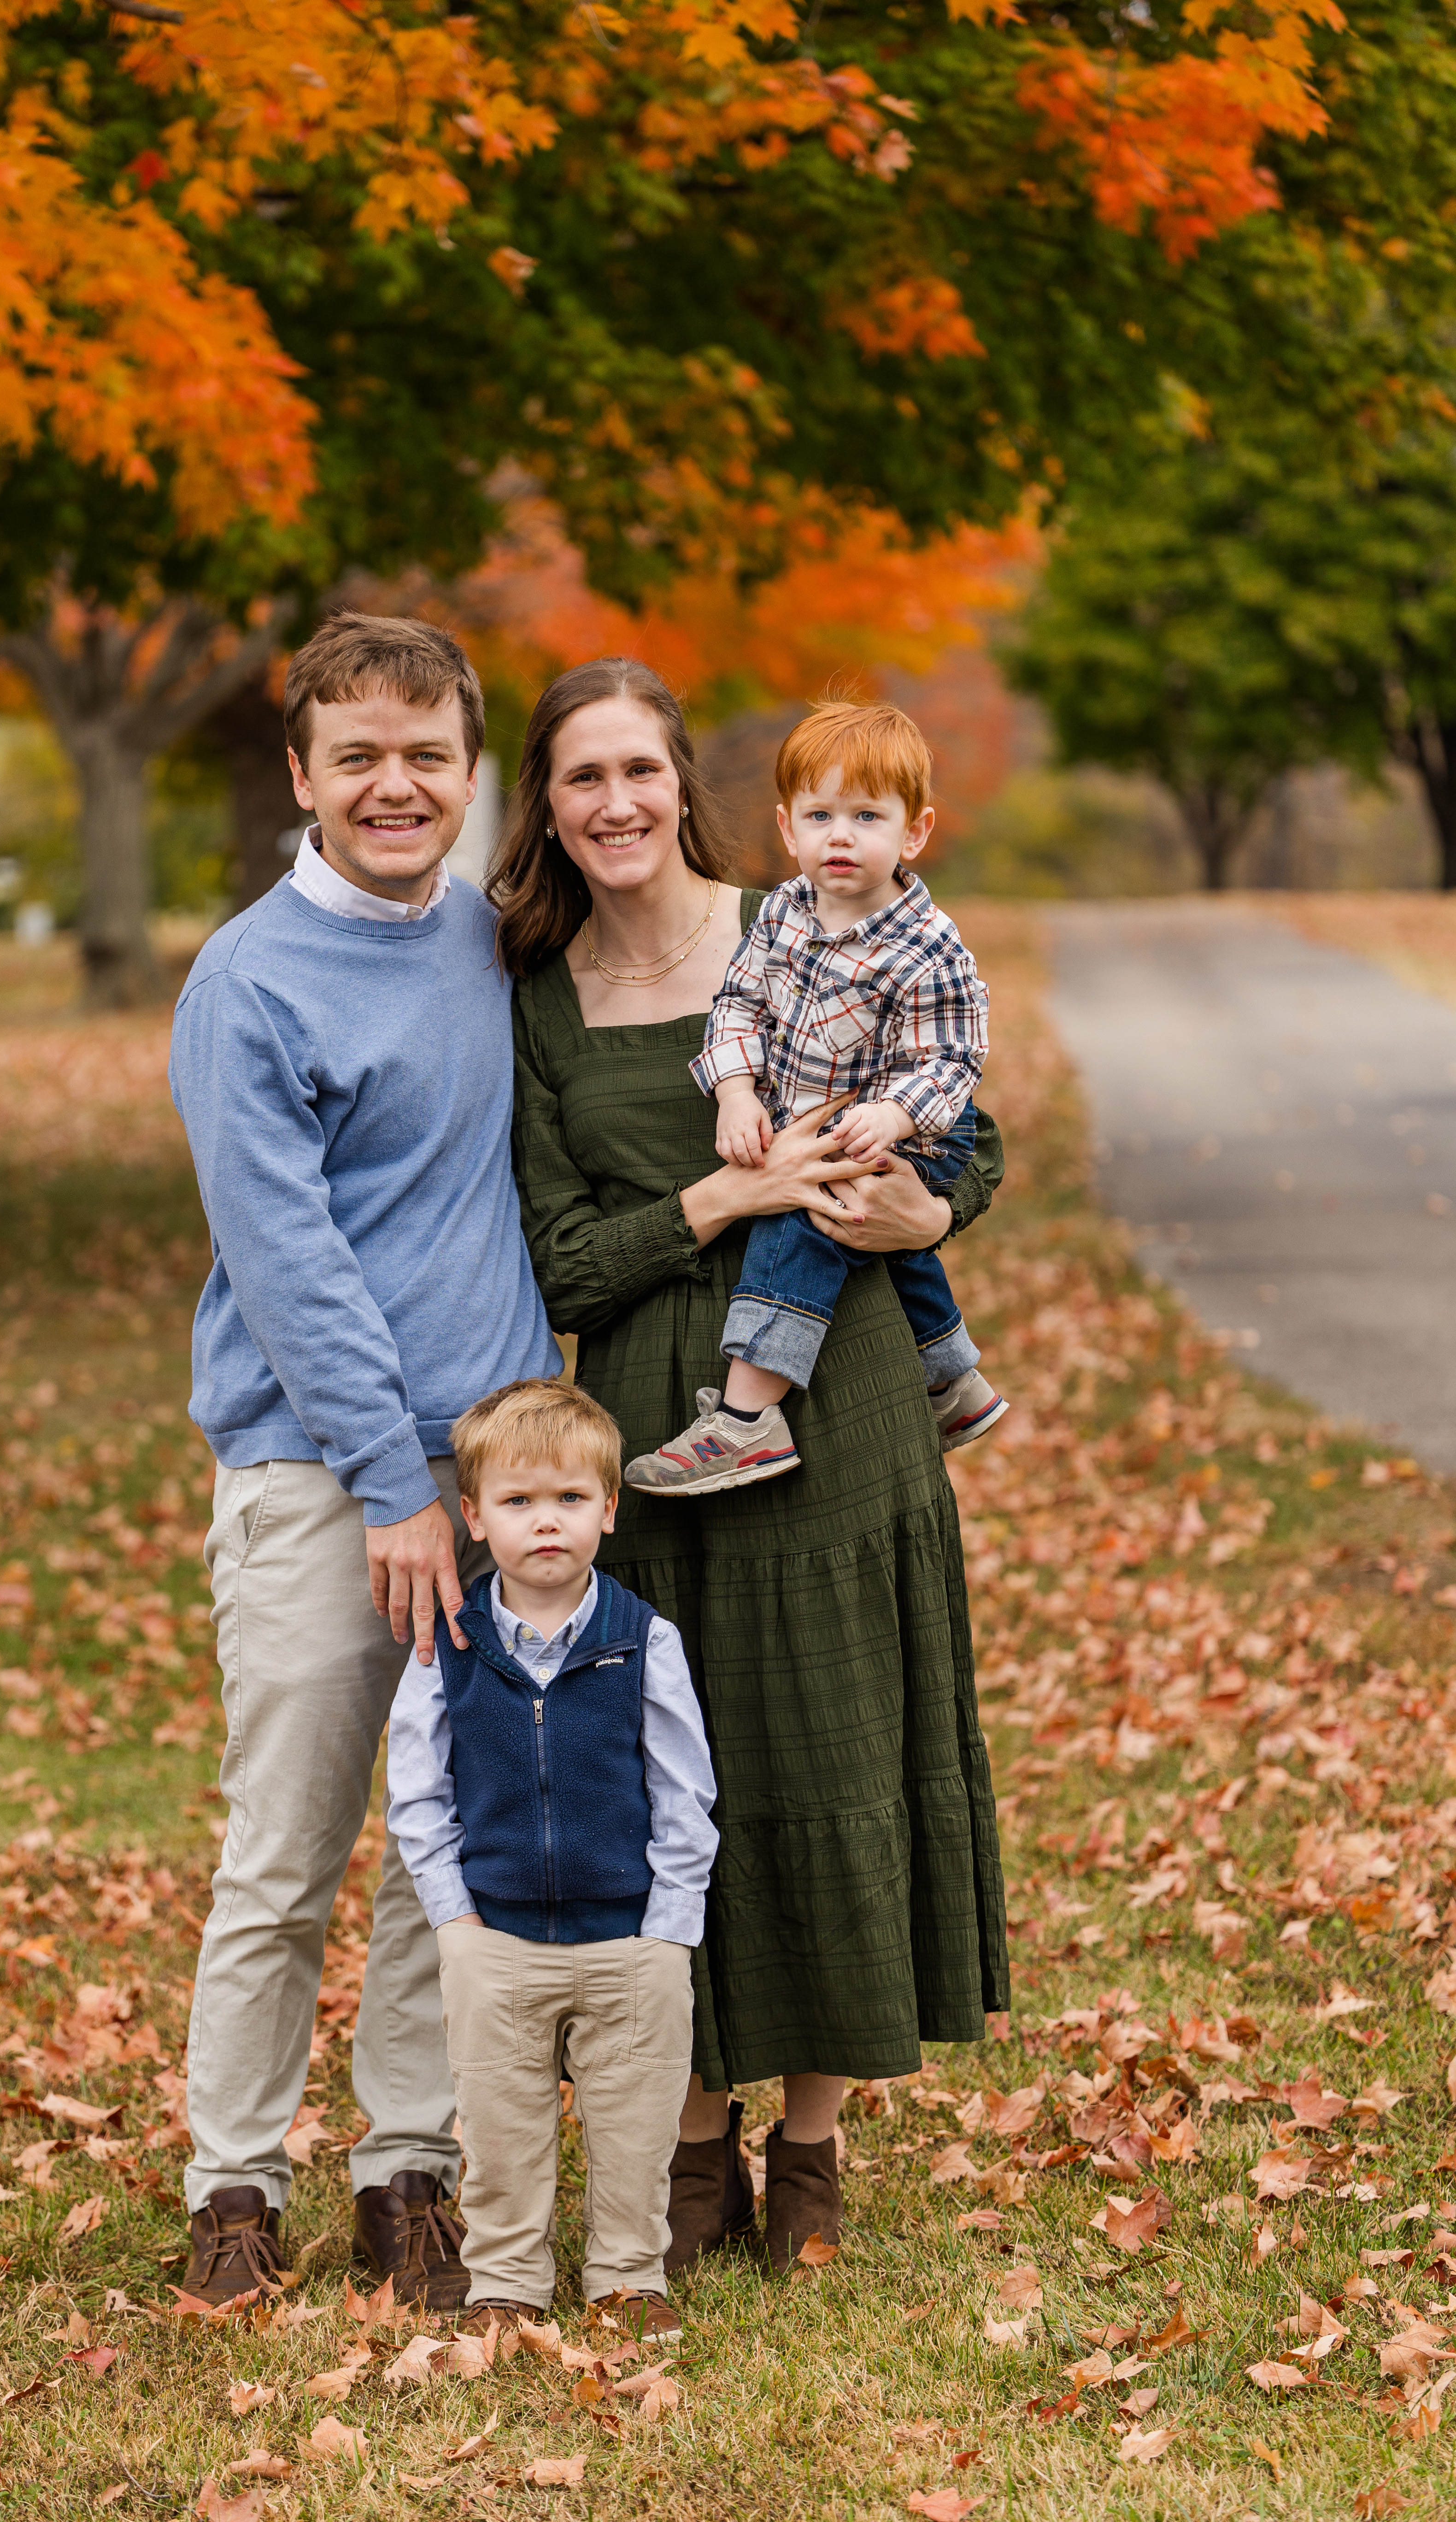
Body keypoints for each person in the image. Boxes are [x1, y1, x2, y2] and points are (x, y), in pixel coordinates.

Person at [495, 656, 1010, 2274]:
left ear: (683, 786)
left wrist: (924, 1213)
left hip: (840, 1400)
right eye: (582, 779)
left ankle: (808, 2151)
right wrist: (720, 1200)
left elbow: (963, 1131)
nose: (617, 804)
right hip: (653, 1427)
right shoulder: (532, 997)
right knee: (676, 1790)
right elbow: (560, 1261)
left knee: (826, 1757)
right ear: (549, 805)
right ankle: (691, 2144)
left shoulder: (797, 919)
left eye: (641, 771)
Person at [167, 612, 561, 2310]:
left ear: (467, 774)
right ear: (302, 775)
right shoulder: (245, 982)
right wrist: (395, 1481)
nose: (394, 785)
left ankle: (404, 2172)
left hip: (487, 1482)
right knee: (287, 1848)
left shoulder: (484, 940)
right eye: (359, 757)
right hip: (323, 1482)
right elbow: (288, 1259)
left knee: (441, 1851)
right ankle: (229, 2187)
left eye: (426, 755)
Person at [386, 1379, 718, 2334]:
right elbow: (418, 1793)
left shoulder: (641, 1641)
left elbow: (684, 1791)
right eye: (519, 1502)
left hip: (631, 1940)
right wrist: (455, 1920)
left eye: (570, 1500)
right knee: (500, 2130)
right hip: (495, 1941)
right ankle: (504, 2283)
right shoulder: (445, 1644)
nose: (546, 1524)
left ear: (609, 1512)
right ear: (474, 1517)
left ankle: (626, 2276)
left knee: (634, 2125)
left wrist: (669, 1928)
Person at [625, 698, 1007, 1498]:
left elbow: (951, 1057)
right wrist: (734, 1092)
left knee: (805, 1217)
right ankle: (954, 1382)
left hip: (914, 1129)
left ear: (914, 832)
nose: (840, 835)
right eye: (820, 814)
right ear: (787, 827)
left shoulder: (929, 944)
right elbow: (736, 1008)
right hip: (815, 1116)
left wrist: (896, 1116)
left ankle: (747, 1417)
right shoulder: (784, 917)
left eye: (867, 816)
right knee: (866, 1231)